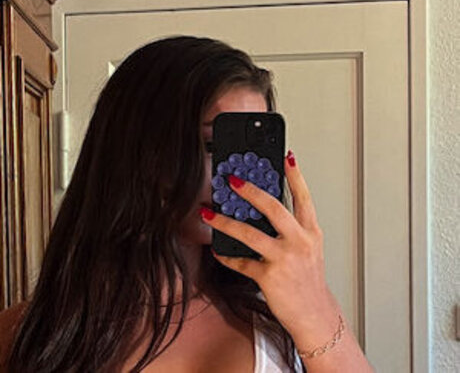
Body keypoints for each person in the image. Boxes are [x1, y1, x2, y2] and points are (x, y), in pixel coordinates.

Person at [0, 36, 374, 372]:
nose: (236, 177)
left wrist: (315, 311)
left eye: (248, 152)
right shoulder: (28, 333)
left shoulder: (291, 321)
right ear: (136, 148)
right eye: (212, 145)